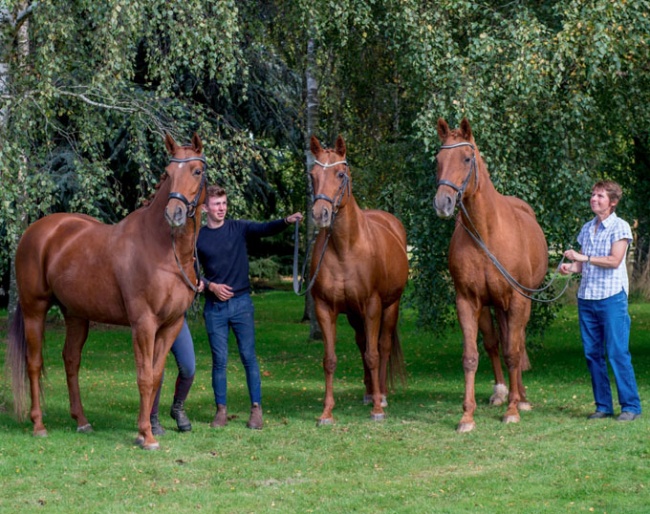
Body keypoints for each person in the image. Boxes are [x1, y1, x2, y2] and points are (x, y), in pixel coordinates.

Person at [197, 184, 303, 429]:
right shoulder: (198, 237)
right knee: (219, 361)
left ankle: (256, 410)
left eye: (224, 203)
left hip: (242, 304)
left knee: (248, 357)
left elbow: (264, 228)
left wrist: (286, 220)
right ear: (205, 208)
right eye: (216, 204)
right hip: (215, 309)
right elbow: (191, 273)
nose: (221, 208)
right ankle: (220, 411)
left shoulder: (238, 228)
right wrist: (211, 286)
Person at [559, 180, 641, 422]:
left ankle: (631, 407)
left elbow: (614, 261)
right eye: (593, 195)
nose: (594, 199)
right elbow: (583, 265)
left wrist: (582, 256)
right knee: (592, 354)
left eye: (600, 196)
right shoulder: (587, 228)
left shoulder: (620, 227)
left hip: (612, 298)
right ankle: (603, 406)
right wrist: (570, 267)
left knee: (617, 352)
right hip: (587, 299)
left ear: (612, 202)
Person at [150, 317, 196, 434]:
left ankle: (177, 407)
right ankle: (152, 417)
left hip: (176, 319)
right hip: (155, 320)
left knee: (189, 368)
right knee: (156, 371)